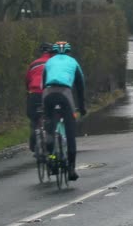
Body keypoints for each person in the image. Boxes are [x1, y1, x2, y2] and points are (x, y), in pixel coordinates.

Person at [42, 41, 86, 181]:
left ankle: (51, 160)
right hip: (64, 94)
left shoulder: (49, 62)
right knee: (70, 131)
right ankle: (71, 169)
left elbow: (43, 83)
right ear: (69, 52)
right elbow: (80, 85)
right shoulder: (73, 62)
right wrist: (82, 107)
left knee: (49, 126)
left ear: (54, 52)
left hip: (48, 93)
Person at [25, 43, 54, 153]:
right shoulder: (53, 63)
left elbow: (27, 80)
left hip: (34, 93)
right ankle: (50, 141)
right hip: (48, 92)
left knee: (34, 118)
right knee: (51, 117)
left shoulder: (33, 64)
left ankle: (33, 140)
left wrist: (29, 92)